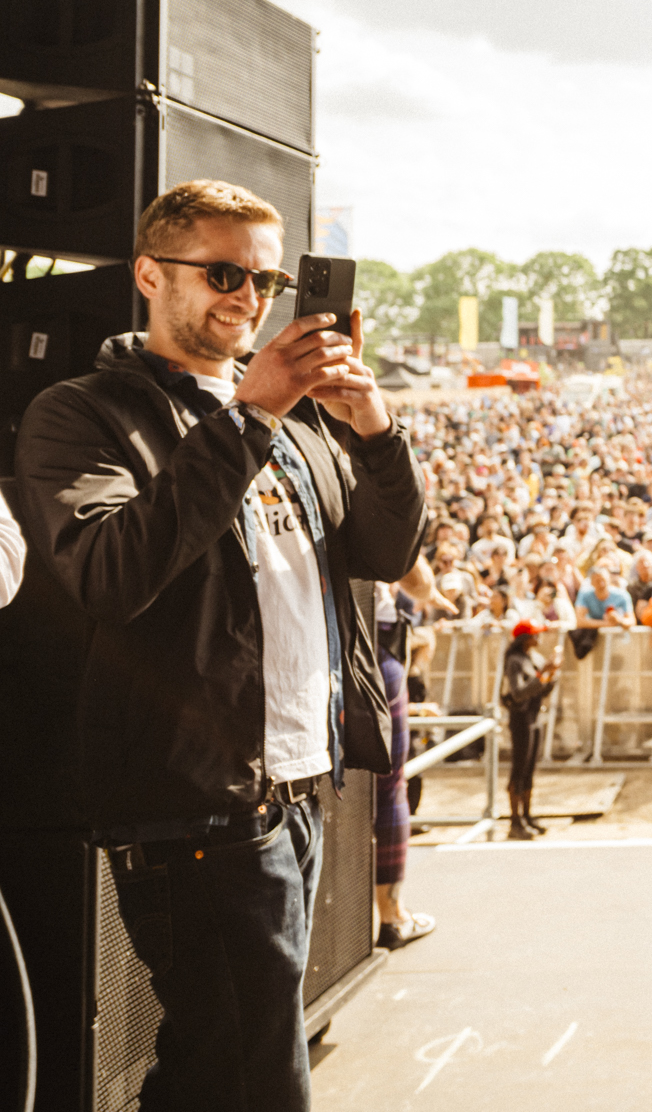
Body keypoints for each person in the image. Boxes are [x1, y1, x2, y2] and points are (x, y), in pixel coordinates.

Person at [11, 180, 426, 1110]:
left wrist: (377, 431)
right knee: (256, 1074)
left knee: (216, 1063)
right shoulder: (80, 414)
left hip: (297, 783)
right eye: (225, 272)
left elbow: (387, 551)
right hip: (190, 799)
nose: (248, 298)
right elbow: (112, 571)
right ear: (151, 273)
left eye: (266, 280)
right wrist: (247, 415)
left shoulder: (305, 424)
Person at [373, 581, 435, 949]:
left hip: (318, 640)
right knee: (390, 783)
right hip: (376, 646)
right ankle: (392, 915)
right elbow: (419, 580)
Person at [501, 618, 559, 839]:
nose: (539, 637)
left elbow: (541, 689)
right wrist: (541, 674)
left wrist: (550, 674)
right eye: (535, 634)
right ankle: (515, 821)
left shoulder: (533, 658)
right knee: (519, 767)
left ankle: (527, 815)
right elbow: (518, 692)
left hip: (534, 716)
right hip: (521, 718)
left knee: (530, 768)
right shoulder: (514, 660)